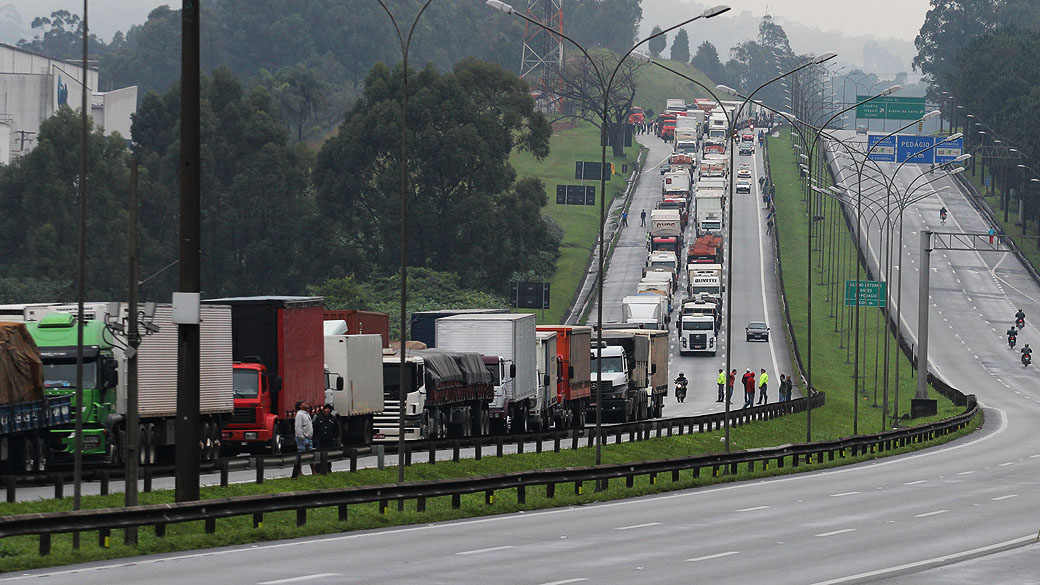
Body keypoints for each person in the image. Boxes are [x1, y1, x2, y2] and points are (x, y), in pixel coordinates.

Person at [293, 400, 314, 477]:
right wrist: (301, 437)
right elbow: (298, 427)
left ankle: (313, 471)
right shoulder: (299, 415)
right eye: (304, 404)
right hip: (303, 438)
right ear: (300, 406)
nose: (306, 404)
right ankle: (299, 472)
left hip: (308, 437)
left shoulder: (306, 414)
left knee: (311, 455)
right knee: (301, 455)